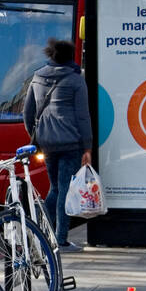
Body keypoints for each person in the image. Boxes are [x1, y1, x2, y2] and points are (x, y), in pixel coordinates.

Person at [22, 39, 93, 252]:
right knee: (65, 190)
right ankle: (60, 240)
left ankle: (40, 224)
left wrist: (36, 135)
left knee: (55, 187)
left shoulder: (37, 76)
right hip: (71, 142)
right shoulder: (75, 79)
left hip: (47, 143)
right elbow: (82, 116)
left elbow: (28, 113)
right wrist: (87, 147)